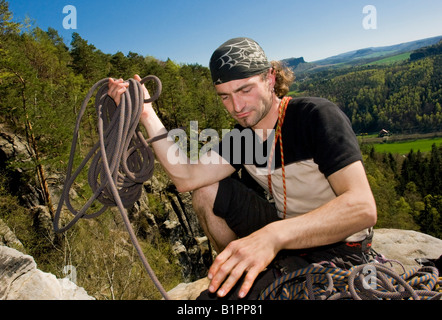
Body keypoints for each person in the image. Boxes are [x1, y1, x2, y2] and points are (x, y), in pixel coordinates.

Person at [107, 37, 377, 300]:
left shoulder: (315, 117)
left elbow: (362, 208)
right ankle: (236, 268)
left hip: (339, 245)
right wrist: (146, 114)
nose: (236, 107)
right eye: (225, 97)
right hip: (282, 234)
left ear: (269, 79)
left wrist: (272, 237)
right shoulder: (244, 138)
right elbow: (186, 178)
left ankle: (250, 273)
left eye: (245, 90)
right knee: (205, 190)